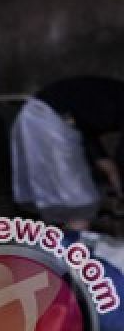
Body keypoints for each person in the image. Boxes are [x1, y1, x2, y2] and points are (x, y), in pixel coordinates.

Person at [13, 75, 124, 228]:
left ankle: (58, 245)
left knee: (56, 197)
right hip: (51, 120)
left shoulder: (113, 95)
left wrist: (104, 161)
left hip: (34, 115)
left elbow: (84, 124)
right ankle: (74, 246)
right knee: (79, 201)